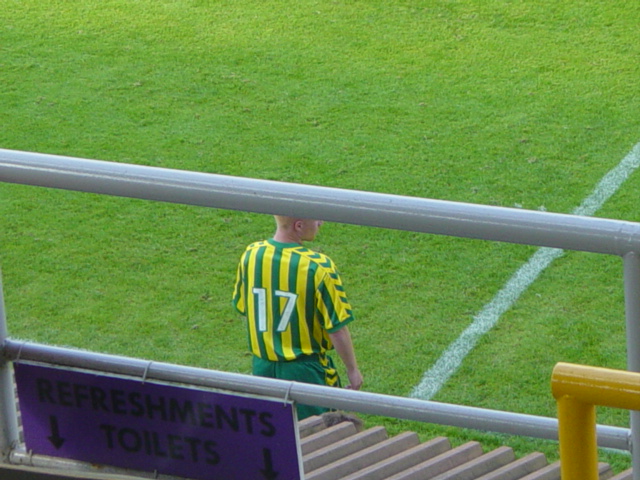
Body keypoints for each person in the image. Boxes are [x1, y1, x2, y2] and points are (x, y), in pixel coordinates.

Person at [232, 215, 363, 419]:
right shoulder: (318, 266)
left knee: (276, 434)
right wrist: (353, 370)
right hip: (306, 371)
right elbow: (336, 329)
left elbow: (242, 305)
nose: (321, 222)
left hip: (262, 367)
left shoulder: (251, 254)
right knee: (318, 437)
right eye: (316, 219)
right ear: (299, 226)